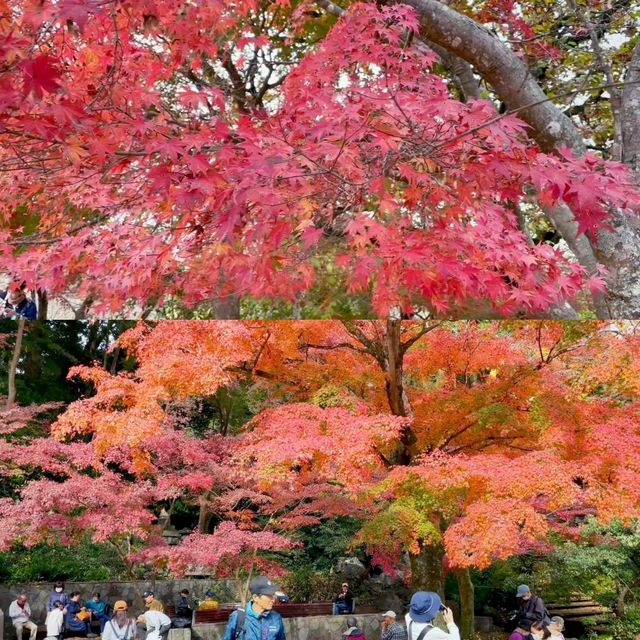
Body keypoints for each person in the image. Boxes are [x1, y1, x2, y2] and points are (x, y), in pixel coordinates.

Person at [222, 575, 286, 640]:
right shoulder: (238, 617)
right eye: (269, 595)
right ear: (255, 597)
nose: (273, 599)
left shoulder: (276, 618)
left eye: (273, 595)